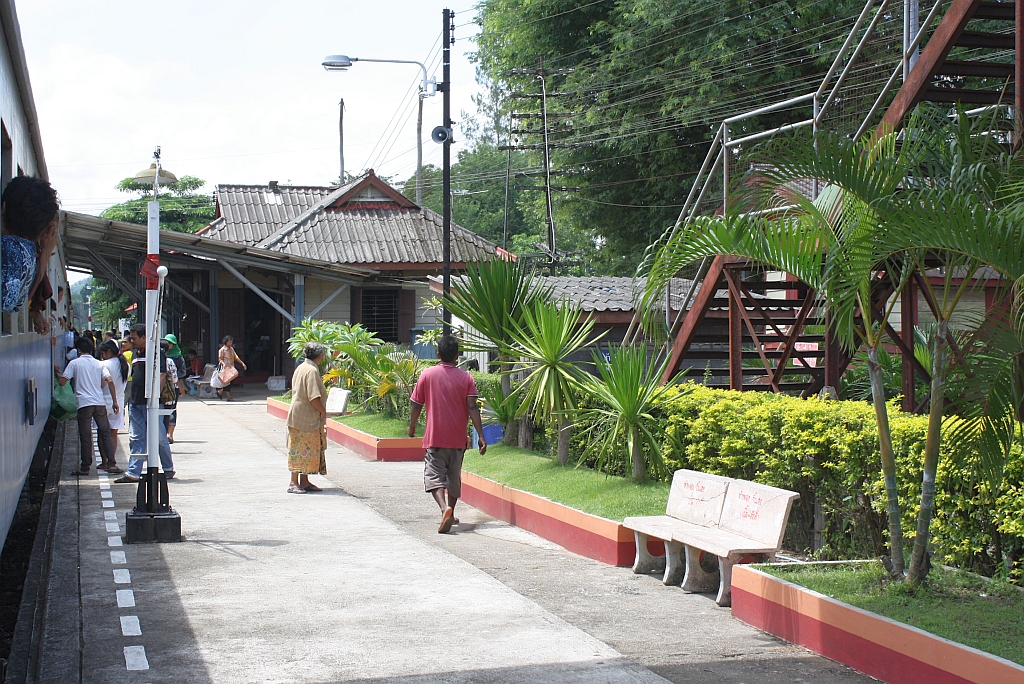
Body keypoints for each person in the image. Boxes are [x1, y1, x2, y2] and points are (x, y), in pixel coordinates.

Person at [408, 335, 486, 534]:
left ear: (438, 354)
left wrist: (412, 426)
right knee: (453, 476)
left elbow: (416, 404)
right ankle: (451, 511)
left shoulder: (427, 374)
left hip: (435, 438)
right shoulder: (466, 377)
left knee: (434, 475)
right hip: (458, 439)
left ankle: (445, 509)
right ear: (457, 356)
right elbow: (473, 407)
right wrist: (481, 436)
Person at [115, 323, 174, 483]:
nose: (131, 341)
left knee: (160, 437)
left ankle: (168, 468)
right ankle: (133, 472)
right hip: (135, 402)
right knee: (136, 438)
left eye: (134, 338)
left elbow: (162, 375)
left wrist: (154, 398)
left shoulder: (156, 353)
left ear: (143, 337)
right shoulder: (135, 353)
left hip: (151, 404)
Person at [0, 176, 60, 333]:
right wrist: (45, 255)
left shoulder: (10, 248)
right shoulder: (29, 255)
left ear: (3, 207)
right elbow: (13, 304)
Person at [58, 337, 119, 476]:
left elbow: (63, 382)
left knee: (85, 436)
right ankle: (111, 464)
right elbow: (109, 380)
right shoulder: (99, 364)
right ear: (92, 349)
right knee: (105, 434)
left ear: (78, 350)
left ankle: (85, 467)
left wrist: (57, 374)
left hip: (84, 404)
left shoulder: (74, 363)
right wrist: (115, 401)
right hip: (99, 403)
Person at [285, 342, 329, 494]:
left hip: (302, 416)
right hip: (304, 417)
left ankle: (304, 481)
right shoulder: (311, 371)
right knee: (299, 449)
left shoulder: (302, 367)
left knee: (308, 449)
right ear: (320, 356)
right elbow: (313, 397)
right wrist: (323, 412)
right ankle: (293, 482)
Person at [96, 339, 128, 473]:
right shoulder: (124, 364)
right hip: (119, 401)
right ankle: (112, 460)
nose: (102, 355)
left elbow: (102, 384)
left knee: (102, 433)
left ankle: (105, 462)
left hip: (104, 401)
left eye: (102, 353)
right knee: (113, 432)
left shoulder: (103, 364)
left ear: (108, 352)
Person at [160, 339, 185, 443]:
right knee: (167, 412)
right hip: (170, 390)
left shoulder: (178, 357)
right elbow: (175, 378)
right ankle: (163, 434)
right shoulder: (168, 361)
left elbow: (181, 373)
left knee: (170, 412)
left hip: (169, 390)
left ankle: (169, 434)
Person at [216, 334, 246, 401]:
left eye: (231, 342)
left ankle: (220, 392)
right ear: (226, 342)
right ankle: (228, 396)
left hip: (231, 368)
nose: (231, 343)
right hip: (225, 369)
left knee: (230, 382)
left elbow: (236, 357)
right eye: (229, 342)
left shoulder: (231, 349)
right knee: (228, 382)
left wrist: (242, 363)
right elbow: (220, 359)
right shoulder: (222, 350)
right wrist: (223, 364)